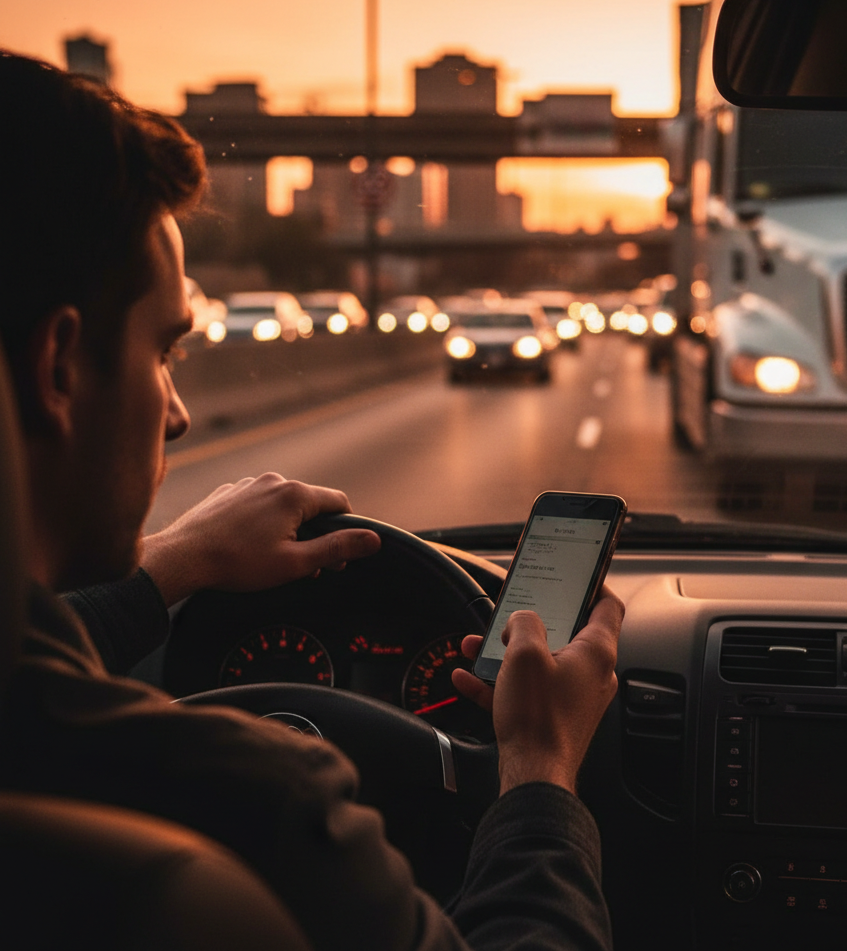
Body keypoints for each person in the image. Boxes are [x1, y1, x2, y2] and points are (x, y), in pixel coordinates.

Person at [0, 49, 625, 950]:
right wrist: (539, 770)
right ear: (59, 367)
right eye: (166, 352)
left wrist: (176, 560)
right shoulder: (254, 801)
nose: (178, 413)